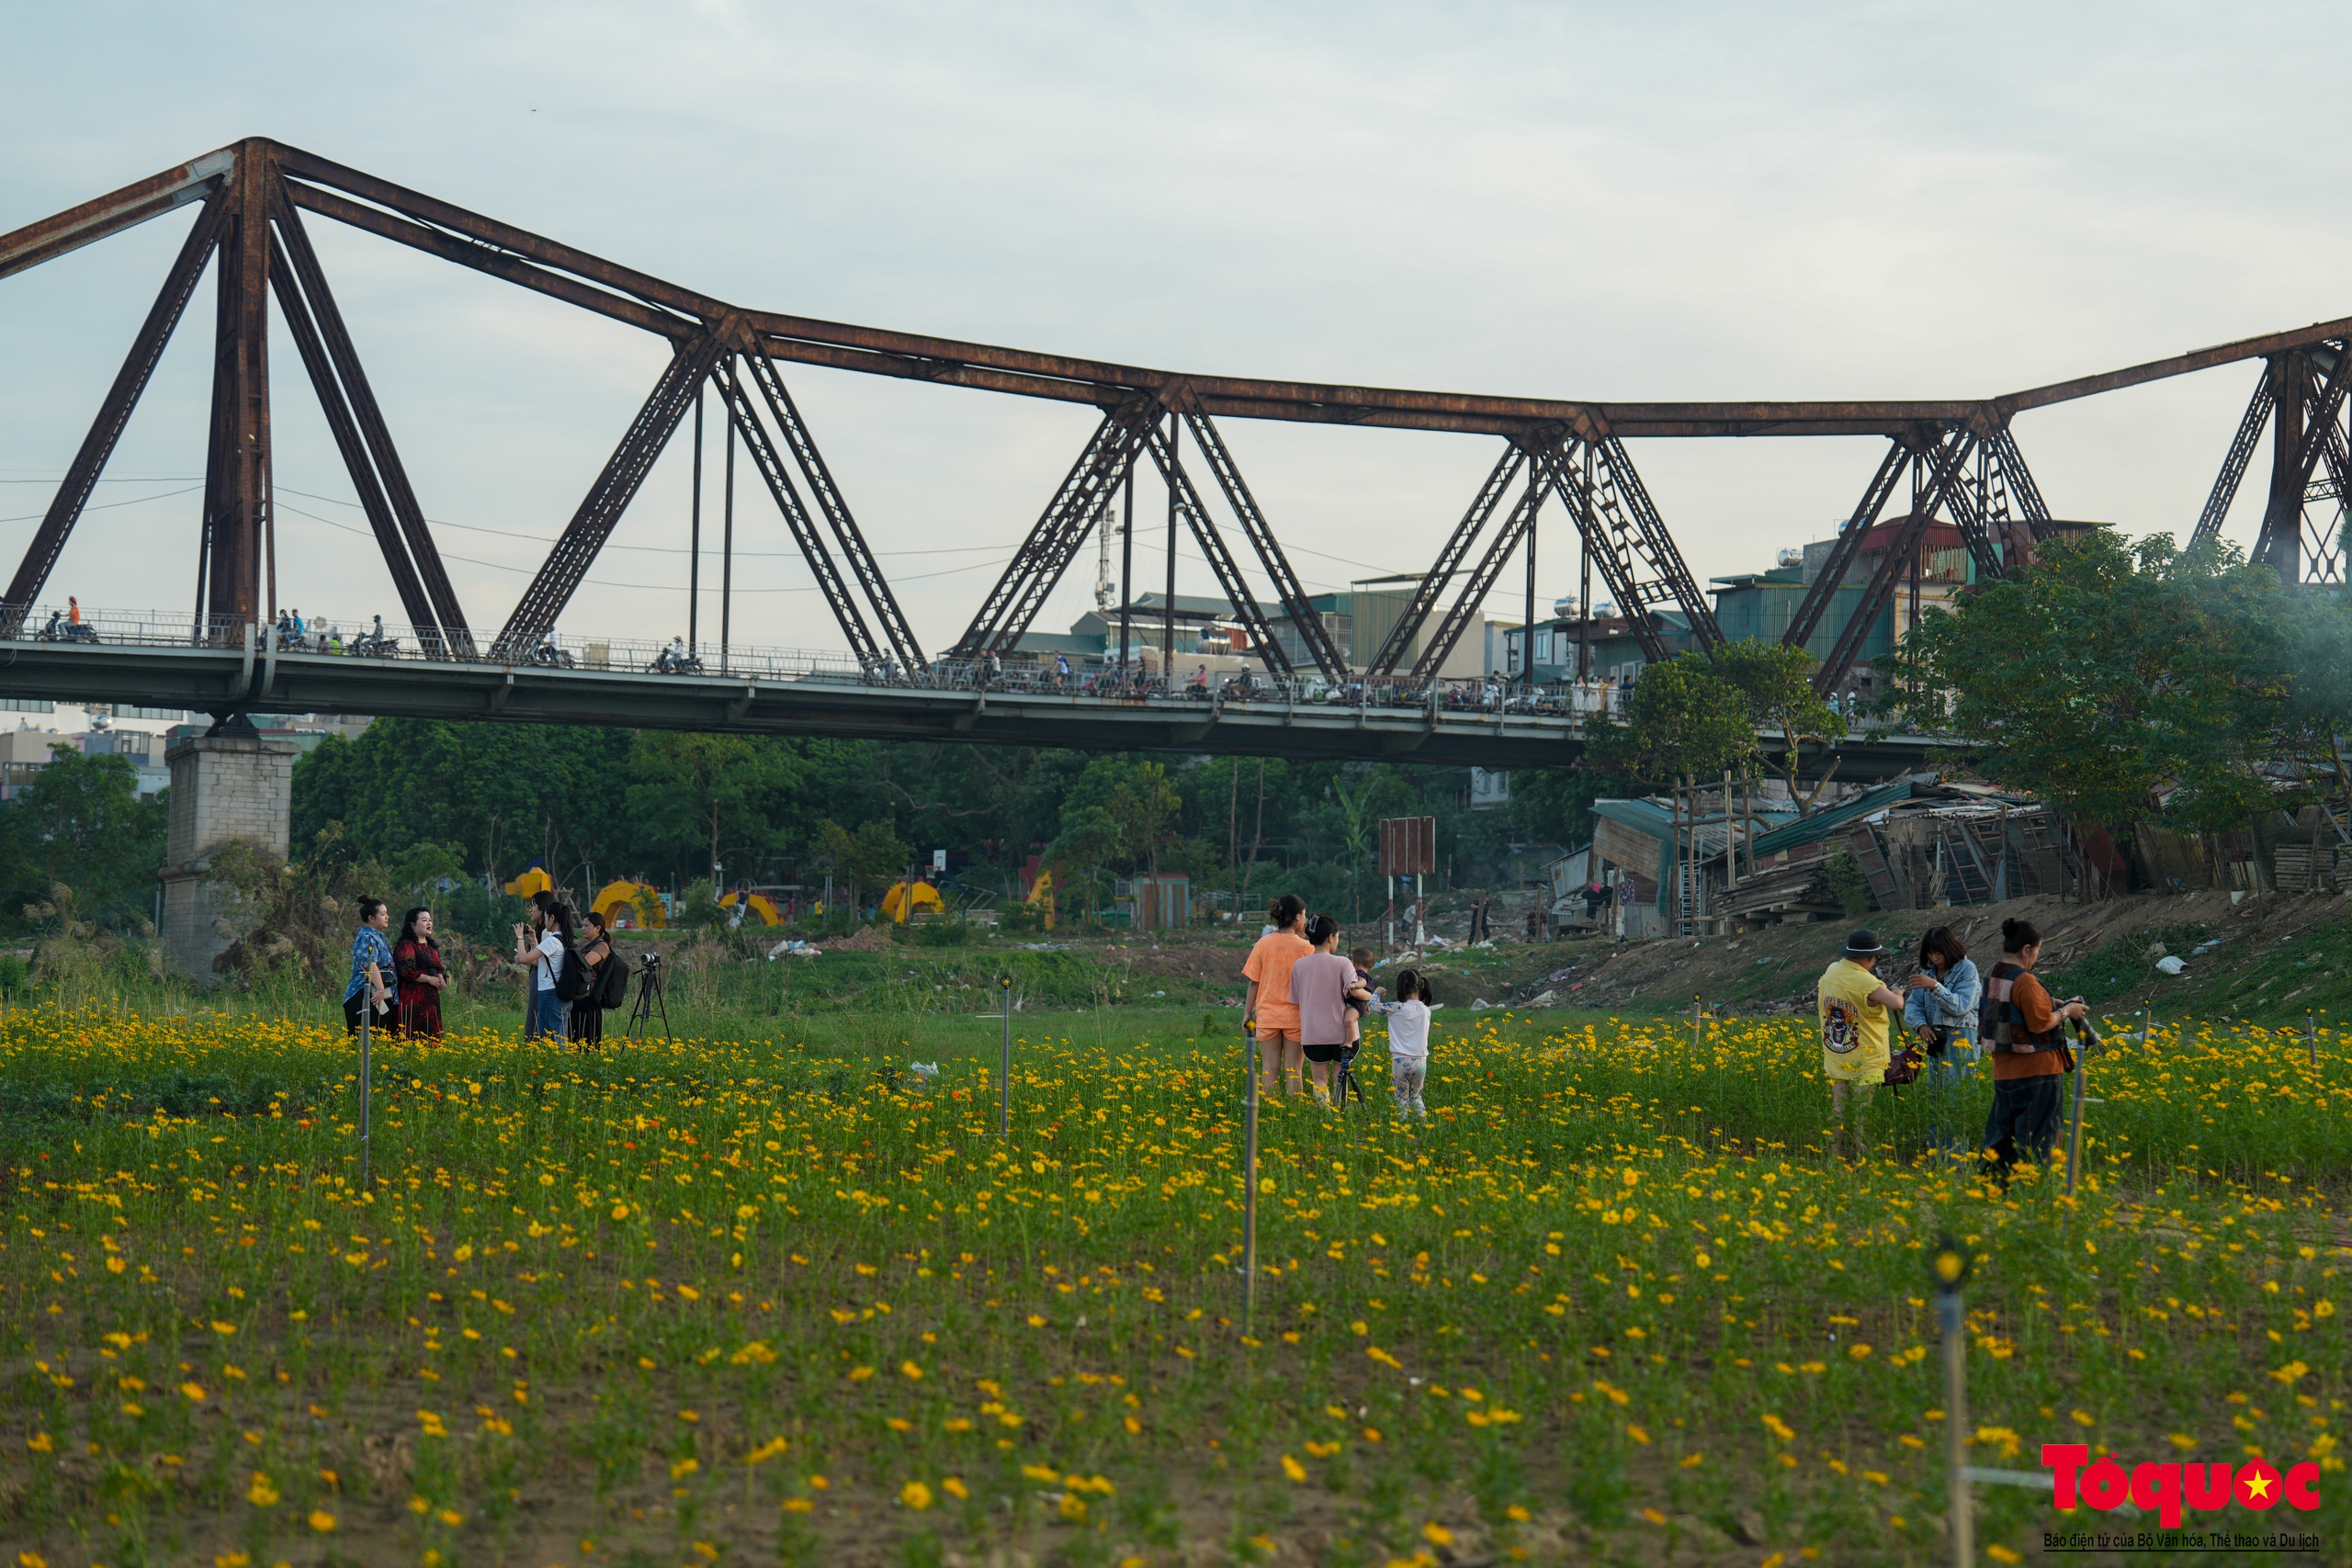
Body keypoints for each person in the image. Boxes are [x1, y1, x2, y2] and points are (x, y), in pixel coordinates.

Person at [1979, 918, 2086, 1184]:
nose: (2037, 956)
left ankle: (1993, 1185)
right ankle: (2037, 1187)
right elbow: (2039, 1023)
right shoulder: (2025, 980)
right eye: (2037, 950)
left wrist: (2049, 1002)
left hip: (2004, 1069)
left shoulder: (1992, 972)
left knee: (2003, 1131)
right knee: (2040, 1133)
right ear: (2026, 949)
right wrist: (2065, 1011)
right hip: (2038, 1070)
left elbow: (2009, 1007)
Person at [1816, 928, 1905, 1161]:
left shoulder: (1833, 970)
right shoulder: (1867, 981)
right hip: (1865, 1057)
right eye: (1875, 958)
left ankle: (1833, 1158)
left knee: (1838, 1109)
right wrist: (1898, 991)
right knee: (1862, 1112)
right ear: (1868, 957)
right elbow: (1896, 1004)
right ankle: (1863, 1159)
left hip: (1837, 1053)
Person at [1905, 926, 1981, 1158]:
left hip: (1962, 1039)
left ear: (1950, 949)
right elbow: (1913, 1004)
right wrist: (1921, 1026)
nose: (1934, 958)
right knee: (1936, 1093)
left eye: (1938, 953)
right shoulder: (1927, 972)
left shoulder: (1967, 969)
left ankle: (1956, 1155)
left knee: (1957, 1094)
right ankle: (1937, 1152)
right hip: (1935, 1038)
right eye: (1930, 954)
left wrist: (1936, 988)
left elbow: (1960, 1006)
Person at [1288, 915, 1370, 1108]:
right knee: (1339, 1078)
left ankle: (1323, 1115)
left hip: (1313, 1035)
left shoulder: (1299, 966)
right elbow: (1356, 992)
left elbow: (1297, 1000)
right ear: (1331, 937)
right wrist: (1372, 997)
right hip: (1343, 1034)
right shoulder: (1343, 963)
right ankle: (1340, 1114)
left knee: (1319, 1081)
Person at [1240, 894, 1312, 1100]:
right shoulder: (1307, 948)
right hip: (1296, 1017)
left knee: (1269, 1069)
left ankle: (1270, 1114)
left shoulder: (1263, 944)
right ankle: (1294, 1115)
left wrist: (1247, 1014)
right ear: (1297, 917)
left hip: (1268, 1016)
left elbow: (1255, 982)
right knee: (1293, 1070)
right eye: (1304, 915)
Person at [1374, 968, 1439, 1115]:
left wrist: (1377, 992)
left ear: (1400, 989)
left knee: (1401, 1099)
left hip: (1401, 1061)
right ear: (1421, 987)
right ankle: (1422, 1129)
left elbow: (1373, 1007)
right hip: (1421, 1062)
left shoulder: (1397, 1008)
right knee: (1416, 1097)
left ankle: (1403, 1131)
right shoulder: (1426, 1010)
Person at [514, 898, 575, 1040]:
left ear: (552, 918)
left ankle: (554, 1062)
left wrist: (520, 937)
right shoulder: (562, 939)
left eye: (546, 917)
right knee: (559, 1036)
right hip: (559, 994)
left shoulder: (552, 941)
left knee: (550, 1039)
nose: (545, 921)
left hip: (550, 993)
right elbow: (539, 961)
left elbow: (523, 958)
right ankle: (562, 1061)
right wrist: (534, 941)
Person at [392, 907, 449, 1040]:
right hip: (414, 997)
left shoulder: (431, 945)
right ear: (413, 924)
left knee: (432, 1036)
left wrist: (440, 978)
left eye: (430, 920)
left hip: (431, 997)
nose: (429, 923)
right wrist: (429, 979)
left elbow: (438, 966)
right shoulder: (406, 945)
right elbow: (407, 971)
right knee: (414, 1036)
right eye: (424, 920)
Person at [344, 897, 393, 1037]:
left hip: (377, 992)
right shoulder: (366, 936)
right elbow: (370, 964)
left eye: (386, 913)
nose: (387, 917)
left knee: (377, 1034)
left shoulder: (378, 935)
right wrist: (380, 989)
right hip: (364, 992)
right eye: (383, 914)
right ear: (372, 918)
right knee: (363, 1039)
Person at [571, 911, 613, 1048]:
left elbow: (584, 964)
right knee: (575, 1036)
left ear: (598, 928)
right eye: (582, 925)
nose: (583, 928)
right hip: (580, 995)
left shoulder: (601, 946)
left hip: (590, 998)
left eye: (586, 925)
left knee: (589, 1038)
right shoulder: (588, 946)